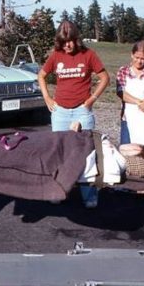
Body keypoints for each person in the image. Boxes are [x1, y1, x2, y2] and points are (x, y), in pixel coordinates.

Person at [37, 20, 109, 208]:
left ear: (76, 39)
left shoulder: (89, 55)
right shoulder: (56, 56)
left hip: (81, 111)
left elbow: (104, 78)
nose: (66, 45)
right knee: (59, 152)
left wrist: (92, 99)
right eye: (62, 42)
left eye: (69, 41)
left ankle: (90, 194)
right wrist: (47, 98)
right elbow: (41, 75)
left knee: (87, 153)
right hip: (60, 111)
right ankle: (58, 190)